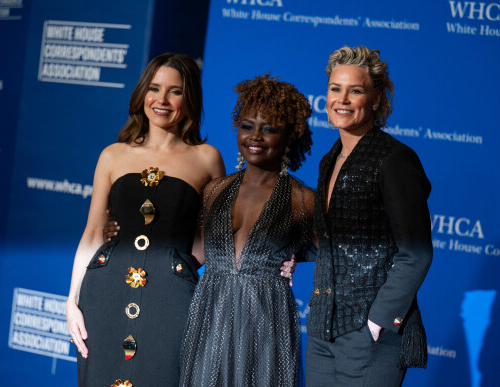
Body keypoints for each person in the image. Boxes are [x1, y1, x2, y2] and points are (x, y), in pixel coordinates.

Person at [66, 52, 225, 386]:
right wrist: (72, 300)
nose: (162, 100)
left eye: (175, 91)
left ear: (189, 98)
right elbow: (93, 234)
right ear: (142, 94)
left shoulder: (208, 159)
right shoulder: (112, 155)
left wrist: (170, 266)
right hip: (104, 293)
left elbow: (208, 243)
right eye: (154, 88)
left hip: (171, 299)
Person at [305, 45, 433, 386]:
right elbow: (336, 242)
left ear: (376, 99)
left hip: (370, 335)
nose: (342, 99)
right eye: (335, 89)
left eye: (355, 90)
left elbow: (416, 253)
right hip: (321, 333)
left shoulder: (394, 159)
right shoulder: (329, 159)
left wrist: (378, 321)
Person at [179, 74, 315, 386]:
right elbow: (193, 256)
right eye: (247, 125)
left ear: (289, 136)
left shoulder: (303, 200)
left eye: (269, 129)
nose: (255, 136)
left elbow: (334, 257)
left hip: (266, 329)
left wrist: (293, 258)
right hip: (209, 323)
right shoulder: (214, 191)